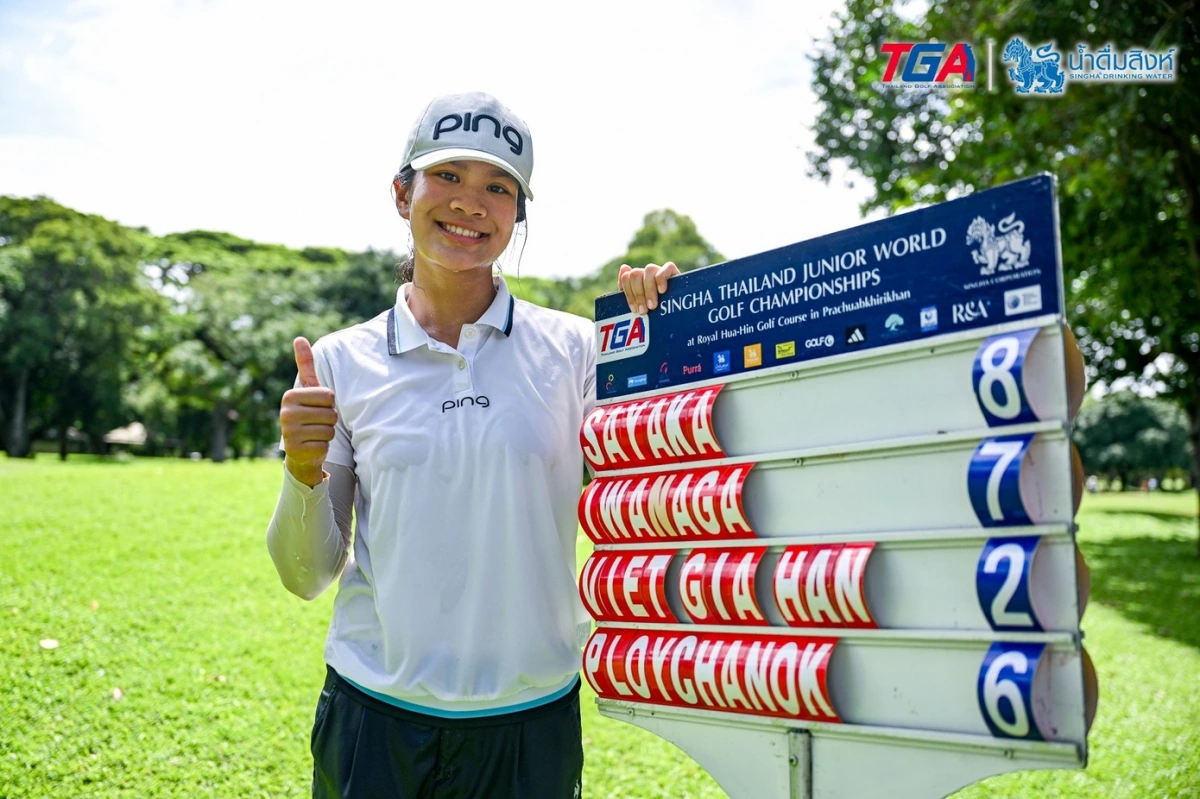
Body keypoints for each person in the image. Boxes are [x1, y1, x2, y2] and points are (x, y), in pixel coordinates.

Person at [266, 91, 678, 798]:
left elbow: (653, 488)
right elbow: (306, 575)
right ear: (403, 193)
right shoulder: (340, 360)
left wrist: (661, 338)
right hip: (376, 717)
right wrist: (303, 473)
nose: (471, 202)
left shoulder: (579, 347)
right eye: (448, 176)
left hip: (531, 720)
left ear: (518, 214)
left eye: (498, 187)